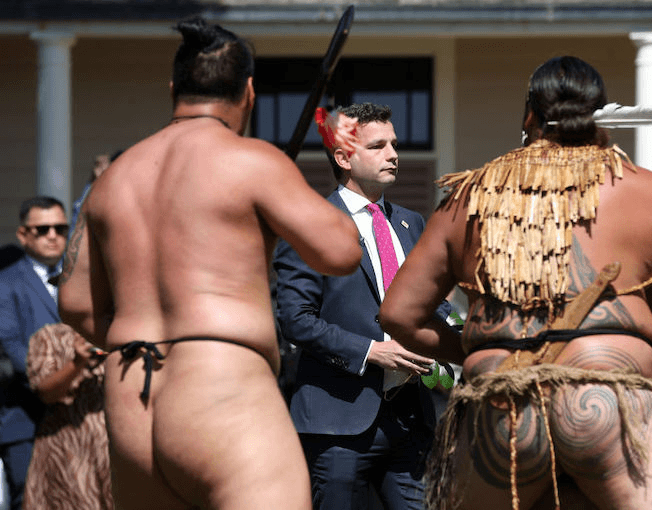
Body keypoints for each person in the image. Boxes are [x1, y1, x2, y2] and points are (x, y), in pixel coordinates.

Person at [378, 55, 652, 510]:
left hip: (501, 408)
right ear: (600, 118)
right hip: (609, 398)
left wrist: (485, 349)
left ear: (529, 116)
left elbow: (398, 315)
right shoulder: (643, 189)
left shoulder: (467, 197)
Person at [57, 17, 361, 510]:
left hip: (130, 391)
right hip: (222, 381)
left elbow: (74, 303)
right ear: (249, 92)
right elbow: (342, 252)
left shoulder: (113, 178)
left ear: (173, 89)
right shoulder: (252, 161)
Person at [274, 102, 451, 510]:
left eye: (394, 144)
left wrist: (466, 338)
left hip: (411, 420)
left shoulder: (411, 223)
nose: (393, 154)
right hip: (338, 424)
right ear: (343, 158)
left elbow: (433, 303)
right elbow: (296, 320)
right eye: (378, 146)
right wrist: (372, 352)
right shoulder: (310, 225)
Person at [0, 196, 68, 510]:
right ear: (23, 235)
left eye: (60, 228)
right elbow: (12, 347)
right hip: (26, 420)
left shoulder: (82, 280)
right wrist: (61, 381)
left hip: (80, 420)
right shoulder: (6, 283)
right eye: (42, 229)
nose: (53, 236)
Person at [23, 323, 111, 510]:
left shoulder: (119, 331)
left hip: (114, 449)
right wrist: (76, 363)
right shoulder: (48, 336)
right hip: (69, 452)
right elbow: (45, 393)